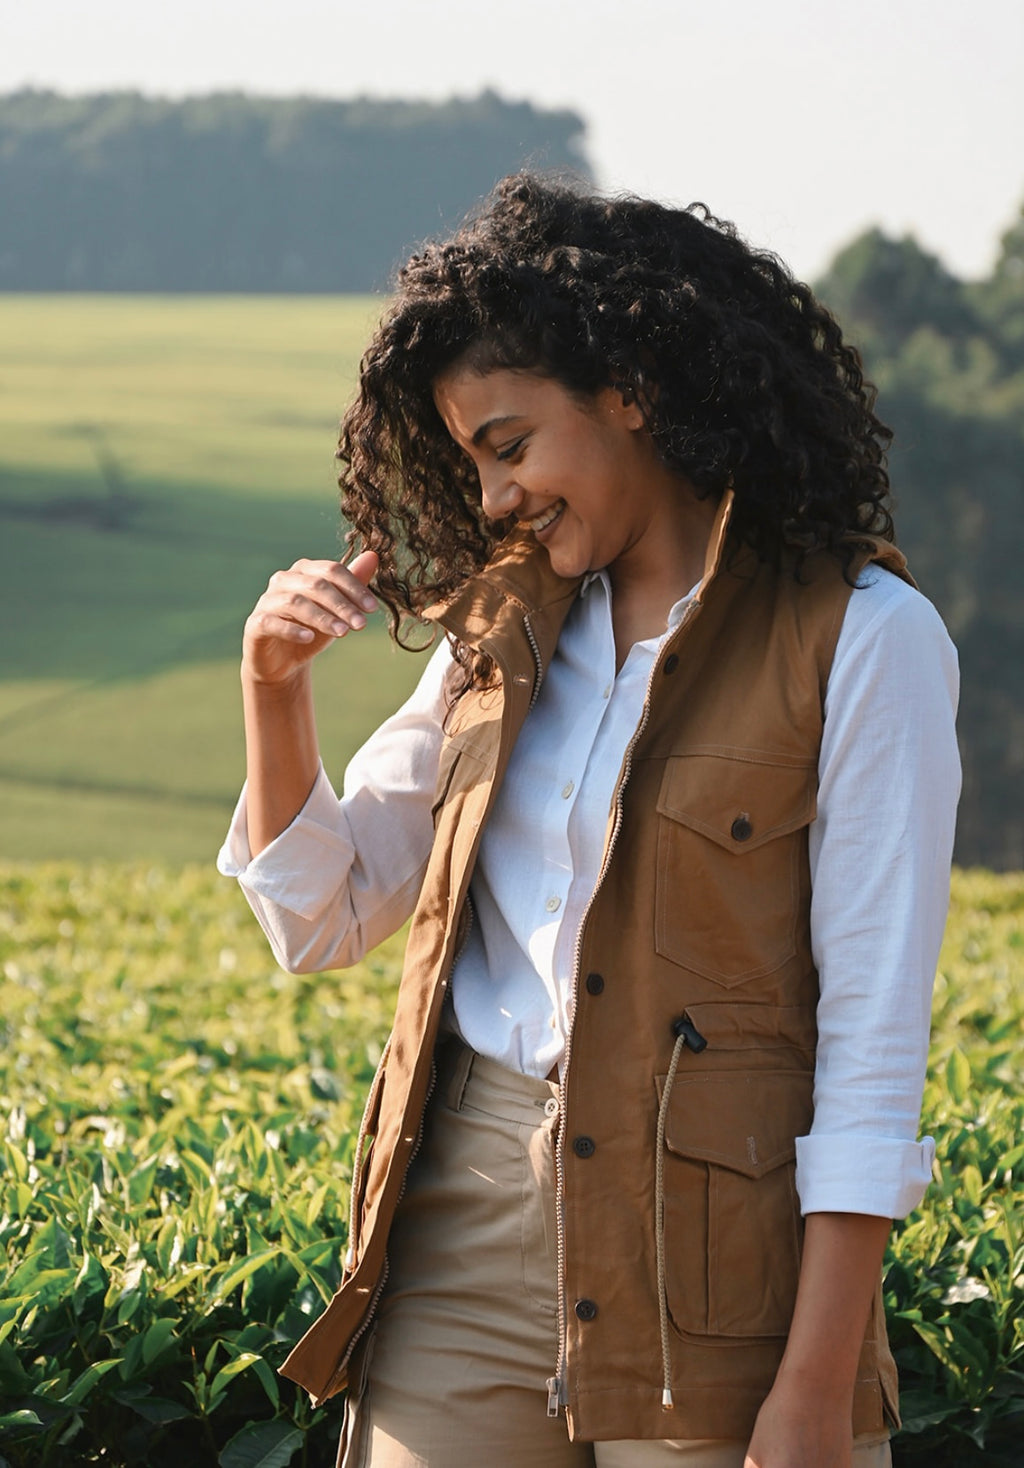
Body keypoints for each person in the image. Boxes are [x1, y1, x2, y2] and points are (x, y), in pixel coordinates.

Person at [218, 174, 960, 1468]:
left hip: (721, 1257)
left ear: (633, 391)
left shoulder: (865, 640)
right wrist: (272, 694)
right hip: (467, 1222)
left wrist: (818, 1389)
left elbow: (873, 1048)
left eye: (510, 446)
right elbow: (325, 916)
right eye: (472, 463)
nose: (494, 497)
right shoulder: (500, 638)